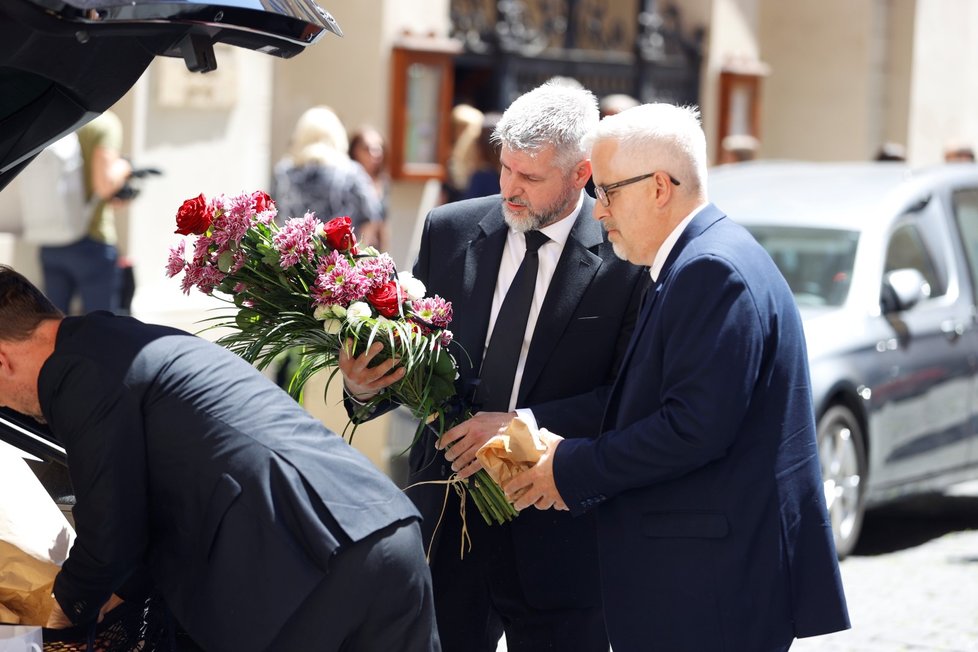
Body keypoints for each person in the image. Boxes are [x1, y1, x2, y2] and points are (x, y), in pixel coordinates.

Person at [505, 103, 851, 652]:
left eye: (609, 192)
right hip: (705, 580)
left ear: (660, 187)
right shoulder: (700, 259)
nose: (598, 213)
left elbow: (692, 428)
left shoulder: (711, 269)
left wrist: (568, 467)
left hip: (710, 588)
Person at [339, 80, 648, 652]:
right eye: (506, 167)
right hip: (446, 523)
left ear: (582, 174)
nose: (510, 188)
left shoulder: (628, 258)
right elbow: (413, 362)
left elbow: (628, 400)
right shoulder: (449, 231)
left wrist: (519, 427)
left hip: (561, 534)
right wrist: (363, 386)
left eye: (531, 178)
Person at [0, 265, 439, 652]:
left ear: (2, 360)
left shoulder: (76, 375)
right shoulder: (115, 340)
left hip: (300, 572)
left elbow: (110, 529)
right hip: (385, 528)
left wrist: (59, 618)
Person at [39, 110, 132, 314]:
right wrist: (125, 166)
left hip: (51, 239)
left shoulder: (55, 119)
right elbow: (105, 184)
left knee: (54, 324)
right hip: (92, 238)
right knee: (100, 327)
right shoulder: (103, 123)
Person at [272, 105, 384, 245]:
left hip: (289, 261)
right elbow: (371, 217)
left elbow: (273, 218)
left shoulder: (283, 173)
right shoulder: (351, 173)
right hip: (338, 263)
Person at [349, 124, 392, 251]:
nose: (375, 153)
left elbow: (384, 223)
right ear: (355, 151)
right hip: (351, 254)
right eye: (367, 148)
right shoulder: (348, 183)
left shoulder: (382, 181)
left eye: (379, 148)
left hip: (373, 253)